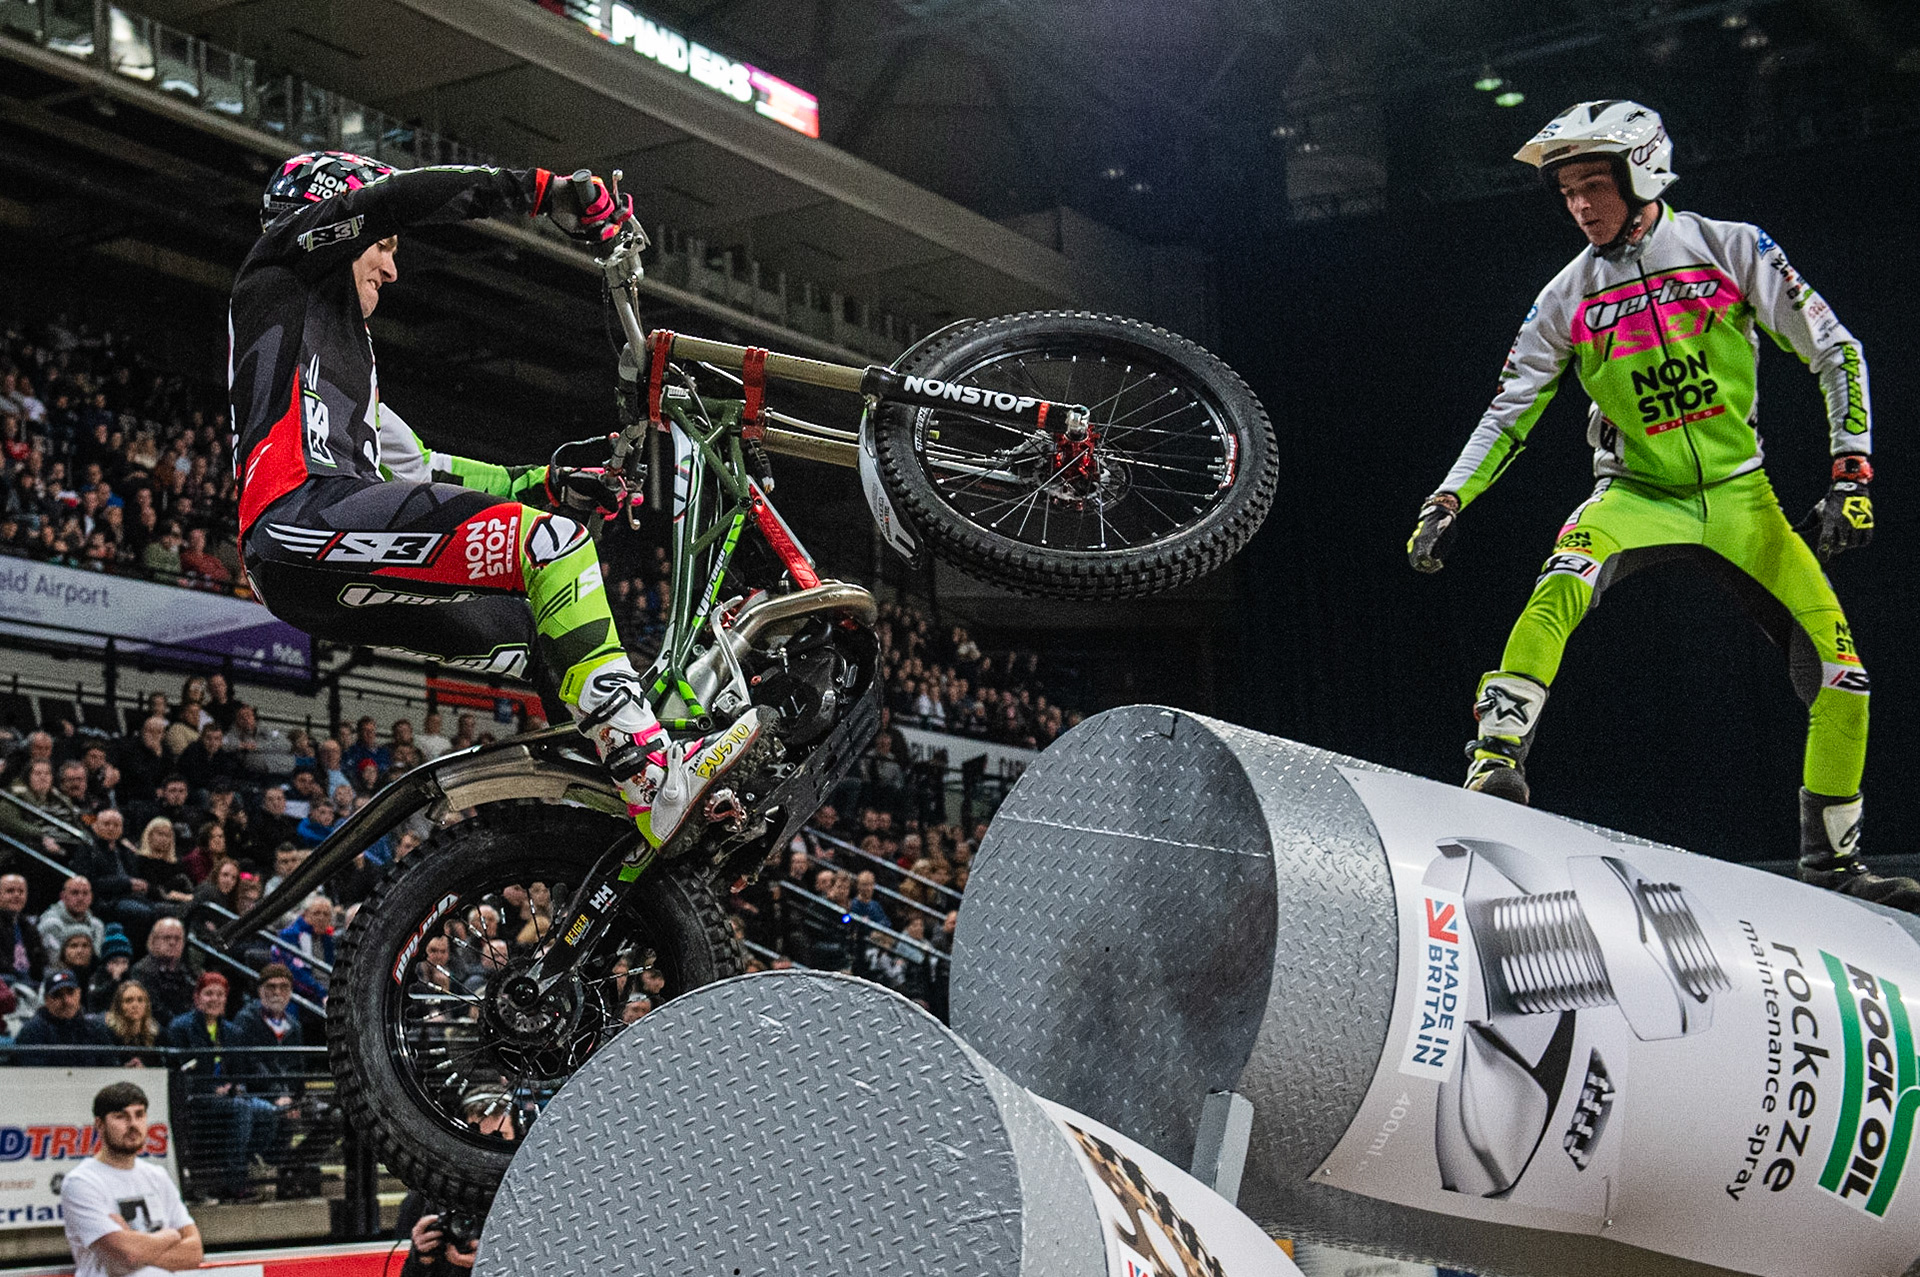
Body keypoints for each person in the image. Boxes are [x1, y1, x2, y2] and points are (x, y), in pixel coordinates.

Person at [1404, 100, 1903, 906]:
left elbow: (1835, 347)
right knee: (1559, 580)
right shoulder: (1563, 296)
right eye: (1566, 192)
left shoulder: (1732, 248)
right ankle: (1494, 758)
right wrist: (1450, 494)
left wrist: (1853, 472)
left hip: (1744, 496)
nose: (1580, 206)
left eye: (1593, 184)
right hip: (1634, 493)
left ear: (1644, 172)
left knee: (1845, 681)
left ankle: (1836, 868)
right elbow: (1510, 409)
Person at [228, 151, 763, 855]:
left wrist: (546, 483)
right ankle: (654, 778)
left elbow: (424, 470)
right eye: (382, 249)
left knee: (547, 627)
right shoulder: (279, 267)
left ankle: (606, 823)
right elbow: (399, 198)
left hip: (324, 557)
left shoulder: (345, 362)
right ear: (334, 220)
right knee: (549, 546)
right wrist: (538, 190)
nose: (391, 269)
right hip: (298, 521)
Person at [60, 1082, 202, 1277]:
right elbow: (128, 1255)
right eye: (121, 1116)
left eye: (139, 1114)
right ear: (100, 1125)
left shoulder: (157, 1176)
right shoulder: (81, 1182)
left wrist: (137, 1244)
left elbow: (194, 1254)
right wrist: (171, 1235)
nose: (133, 1124)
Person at [165, 972, 279, 1202]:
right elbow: (179, 1071)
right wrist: (210, 1088)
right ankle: (235, 1182)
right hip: (196, 1097)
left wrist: (236, 1085)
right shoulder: (181, 1028)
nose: (214, 999)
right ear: (197, 998)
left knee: (268, 1112)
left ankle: (243, 1159)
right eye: (208, 993)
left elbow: (242, 1068)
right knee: (242, 1109)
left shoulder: (233, 1031)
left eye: (220, 994)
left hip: (230, 1096)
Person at [14, 969, 116, 1065]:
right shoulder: (32, 1032)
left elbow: (110, 1068)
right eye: (57, 995)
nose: (66, 1000)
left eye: (70, 993)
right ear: (46, 1000)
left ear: (79, 994)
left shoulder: (96, 1030)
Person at [128, 917, 196, 1025]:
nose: (172, 942)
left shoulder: (187, 969)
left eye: (177, 938)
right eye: (167, 938)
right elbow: (153, 1008)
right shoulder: (142, 970)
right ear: (153, 941)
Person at [37, 875, 105, 967]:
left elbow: (96, 961)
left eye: (85, 893)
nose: (80, 898)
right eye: (75, 893)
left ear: (91, 897)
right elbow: (53, 963)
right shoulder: (51, 923)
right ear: (63, 897)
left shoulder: (97, 926)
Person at [102, 978, 164, 1067]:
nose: (135, 1005)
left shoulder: (156, 1032)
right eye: (128, 1000)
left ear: (146, 1005)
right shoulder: (107, 1033)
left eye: (140, 1000)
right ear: (119, 1006)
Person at [0, 871, 45, 989]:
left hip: (28, 985)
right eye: (10, 891)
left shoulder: (28, 927)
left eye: (21, 892)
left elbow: (40, 963)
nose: (17, 895)